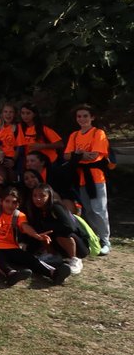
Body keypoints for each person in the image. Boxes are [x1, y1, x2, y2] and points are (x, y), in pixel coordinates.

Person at [65, 104, 111, 255]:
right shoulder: (74, 135)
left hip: (96, 177)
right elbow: (66, 156)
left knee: (99, 209)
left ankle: (106, 240)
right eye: (79, 116)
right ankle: (95, 238)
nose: (82, 119)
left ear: (92, 117)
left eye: (85, 116)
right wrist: (80, 155)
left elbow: (95, 155)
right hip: (81, 177)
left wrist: (77, 155)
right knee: (88, 210)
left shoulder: (98, 133)